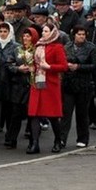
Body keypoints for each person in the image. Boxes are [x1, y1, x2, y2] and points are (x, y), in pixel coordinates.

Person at [26, 23, 69, 154]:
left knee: (53, 116)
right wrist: (30, 65)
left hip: (50, 84)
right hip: (37, 83)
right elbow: (34, 62)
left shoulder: (57, 47)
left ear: (52, 33)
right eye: (43, 31)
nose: (43, 33)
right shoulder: (37, 45)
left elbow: (64, 66)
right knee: (34, 114)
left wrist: (49, 67)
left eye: (46, 31)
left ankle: (57, 140)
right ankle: (34, 143)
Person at [61, 25, 96, 149]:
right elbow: (61, 62)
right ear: (74, 35)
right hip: (68, 84)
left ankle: (83, 138)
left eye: (83, 34)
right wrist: (67, 66)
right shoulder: (66, 47)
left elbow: (95, 65)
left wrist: (79, 67)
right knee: (66, 113)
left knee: (82, 113)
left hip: (84, 85)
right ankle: (61, 139)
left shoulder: (90, 48)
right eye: (79, 34)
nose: (81, 37)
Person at [0, 24, 29, 149]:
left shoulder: (16, 47)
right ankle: (3, 136)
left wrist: (19, 68)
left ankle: (13, 137)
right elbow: (9, 64)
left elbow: (8, 63)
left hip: (13, 83)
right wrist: (17, 68)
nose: (2, 33)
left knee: (12, 111)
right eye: (1, 31)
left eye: (5, 31)